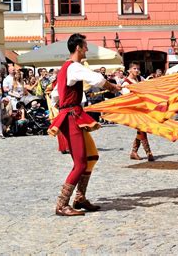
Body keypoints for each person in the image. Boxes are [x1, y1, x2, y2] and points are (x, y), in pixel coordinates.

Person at [48, 33, 121, 217]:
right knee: (80, 164)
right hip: (72, 117)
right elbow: (95, 79)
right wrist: (112, 87)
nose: (87, 49)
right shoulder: (74, 67)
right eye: (85, 46)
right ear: (78, 48)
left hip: (72, 114)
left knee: (91, 156)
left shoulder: (66, 68)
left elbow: (55, 94)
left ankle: (80, 198)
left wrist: (63, 104)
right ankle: (61, 205)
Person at [122, 62, 155, 161]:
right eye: (135, 69)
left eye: (138, 69)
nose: (137, 70)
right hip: (134, 110)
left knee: (141, 130)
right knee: (142, 129)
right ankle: (148, 152)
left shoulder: (140, 79)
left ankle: (134, 152)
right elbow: (127, 98)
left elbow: (147, 88)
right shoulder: (126, 83)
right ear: (129, 70)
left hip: (143, 108)